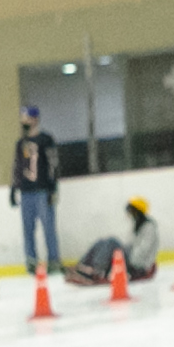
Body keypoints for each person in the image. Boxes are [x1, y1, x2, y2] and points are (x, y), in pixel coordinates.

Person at [12, 104, 61, 275]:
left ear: (34, 119)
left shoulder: (46, 140)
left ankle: (54, 260)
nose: (23, 121)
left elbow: (53, 164)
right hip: (26, 191)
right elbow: (17, 165)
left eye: (25, 117)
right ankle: (31, 260)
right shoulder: (21, 143)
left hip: (42, 190)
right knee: (28, 227)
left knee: (48, 226)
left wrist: (53, 188)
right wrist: (14, 188)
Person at [65, 196, 160, 285]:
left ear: (138, 211)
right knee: (101, 242)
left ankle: (96, 271)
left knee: (112, 242)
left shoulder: (149, 227)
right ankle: (83, 265)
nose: (130, 214)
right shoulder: (138, 226)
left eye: (132, 211)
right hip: (131, 258)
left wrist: (124, 254)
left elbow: (142, 251)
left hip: (137, 264)